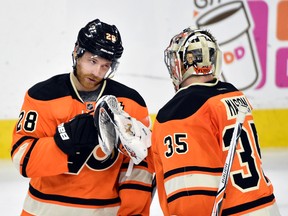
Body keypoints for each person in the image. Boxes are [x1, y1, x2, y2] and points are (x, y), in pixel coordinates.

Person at [11, 18, 154, 216]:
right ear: (77, 52)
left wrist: (133, 212)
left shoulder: (130, 102)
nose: (97, 72)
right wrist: (61, 143)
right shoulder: (42, 95)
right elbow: (22, 160)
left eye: (105, 66)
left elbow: (139, 166)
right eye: (92, 61)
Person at [151, 27, 281, 215]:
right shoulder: (234, 93)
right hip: (267, 206)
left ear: (181, 63)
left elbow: (191, 191)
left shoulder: (179, 110)